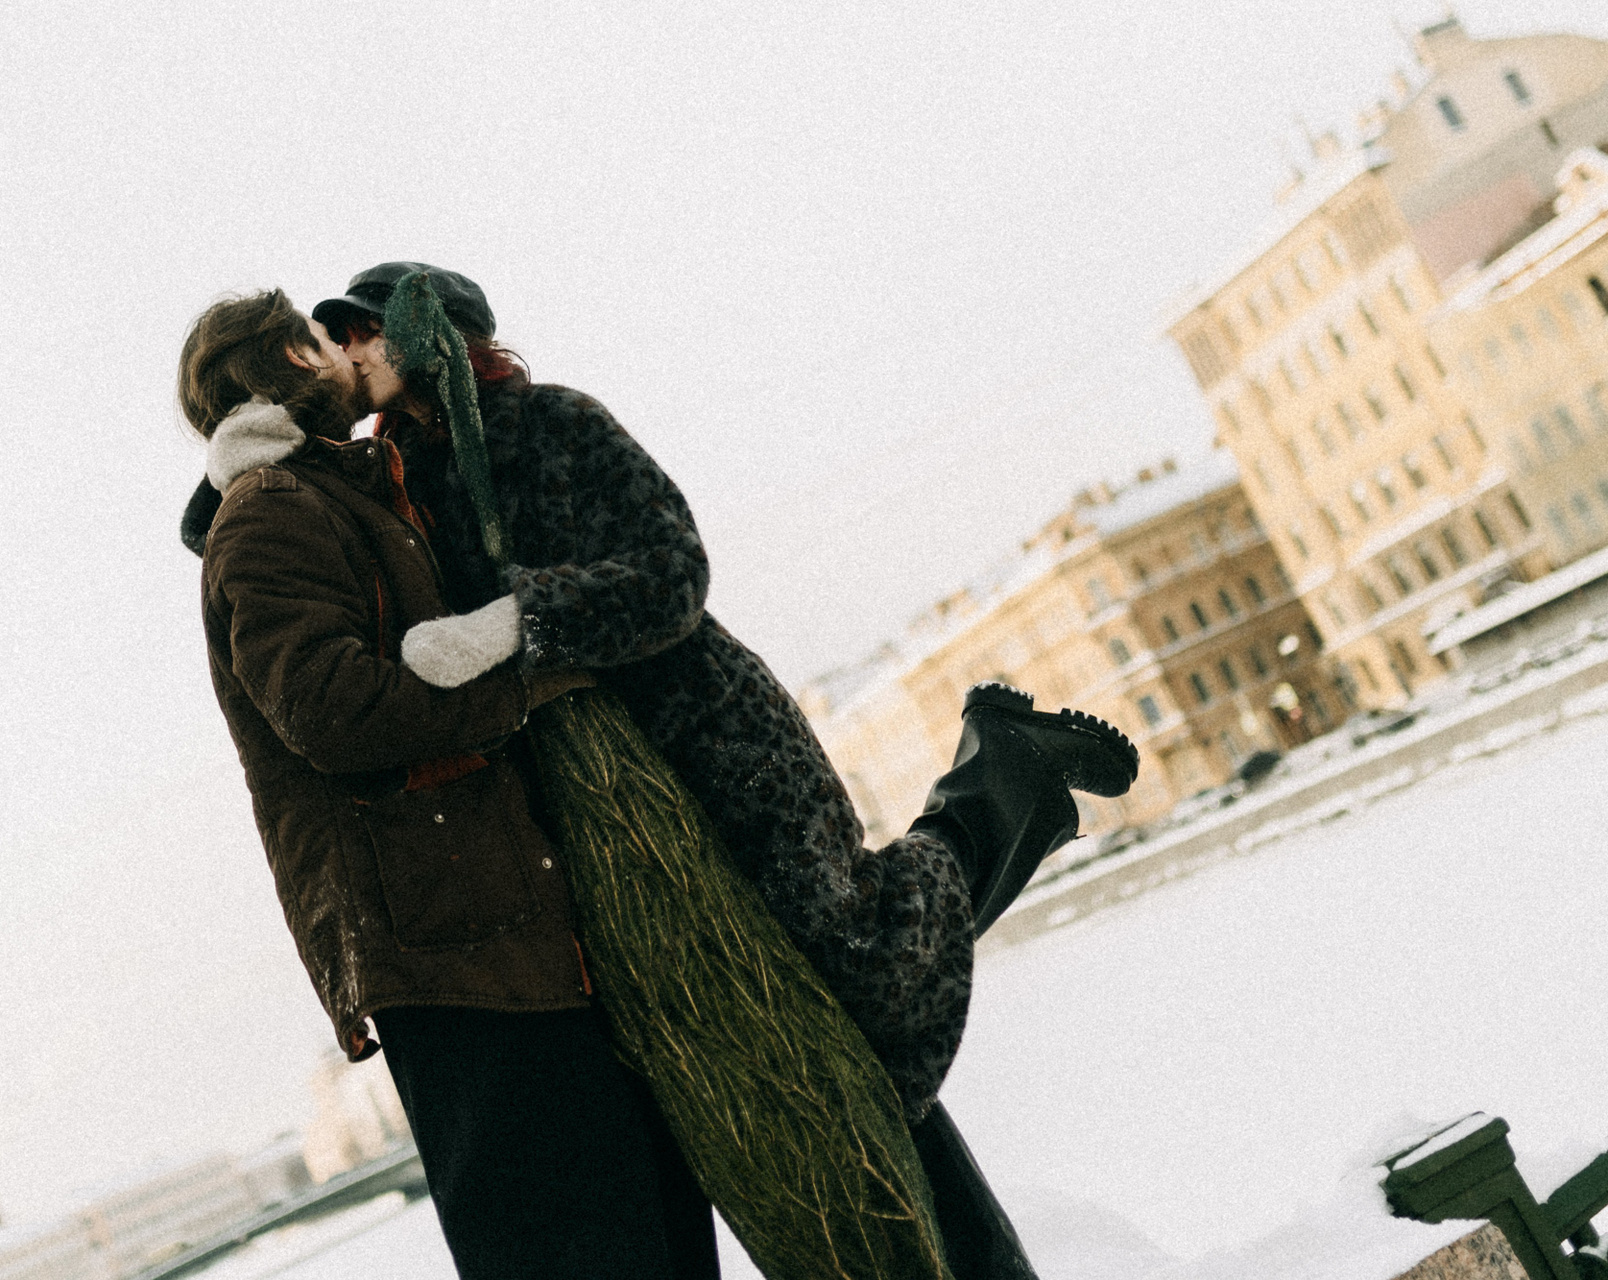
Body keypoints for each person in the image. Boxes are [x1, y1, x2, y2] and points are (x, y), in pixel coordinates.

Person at [301, 262, 1136, 1276]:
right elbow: (233, 510)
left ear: (436, 333)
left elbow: (674, 570)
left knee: (856, 965)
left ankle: (999, 778)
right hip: (610, 798)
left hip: (714, 737)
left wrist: (528, 618)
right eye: (336, 336)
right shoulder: (394, 481)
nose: (349, 349)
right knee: (803, 1029)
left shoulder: (556, 419)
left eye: (366, 329)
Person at [180, 290, 723, 1279]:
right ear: (290, 364)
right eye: (322, 338)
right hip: (451, 953)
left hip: (492, 931)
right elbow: (332, 709)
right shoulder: (268, 513)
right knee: (579, 1248)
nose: (347, 352)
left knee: (645, 1230)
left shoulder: (328, 490)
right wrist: (518, 687)